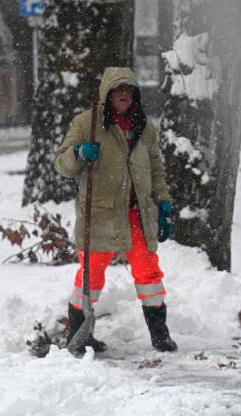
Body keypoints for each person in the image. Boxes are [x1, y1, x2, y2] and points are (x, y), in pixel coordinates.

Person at [54, 67, 177, 354]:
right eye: (118, 90)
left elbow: (156, 169)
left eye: (129, 90)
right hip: (100, 215)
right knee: (91, 275)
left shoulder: (144, 128)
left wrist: (163, 201)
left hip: (137, 213)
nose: (123, 95)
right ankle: (80, 334)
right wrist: (79, 153)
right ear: (107, 95)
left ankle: (160, 335)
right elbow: (61, 164)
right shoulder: (86, 123)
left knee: (149, 273)